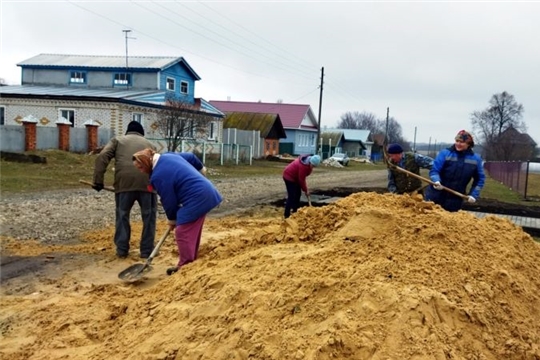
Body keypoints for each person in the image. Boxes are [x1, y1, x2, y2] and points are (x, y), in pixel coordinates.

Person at [132, 148, 222, 275]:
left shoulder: (158, 175)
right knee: (191, 228)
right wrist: (201, 171)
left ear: (147, 162)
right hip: (205, 193)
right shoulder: (168, 156)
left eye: (141, 167)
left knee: (183, 230)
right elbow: (191, 157)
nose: (140, 171)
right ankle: (190, 261)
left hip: (197, 197)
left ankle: (185, 266)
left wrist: (172, 219)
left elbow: (169, 201)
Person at [92, 121, 157, 259]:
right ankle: (146, 251)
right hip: (147, 184)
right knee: (149, 217)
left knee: (122, 215)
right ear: (141, 133)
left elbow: (103, 156)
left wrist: (98, 180)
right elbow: (157, 165)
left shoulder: (118, 140)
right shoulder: (150, 144)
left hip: (124, 184)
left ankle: (122, 250)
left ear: (128, 132)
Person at [424, 130, 485, 212]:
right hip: (435, 196)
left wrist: (473, 194)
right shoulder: (445, 154)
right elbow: (435, 170)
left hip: (455, 199)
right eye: (457, 141)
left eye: (462, 142)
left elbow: (480, 179)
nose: (458, 144)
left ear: (469, 144)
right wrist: (436, 181)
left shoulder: (475, 159)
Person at [282, 154, 321, 218]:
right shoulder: (304, 166)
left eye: (314, 166)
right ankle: (286, 215)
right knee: (292, 196)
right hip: (288, 176)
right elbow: (301, 180)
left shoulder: (308, 163)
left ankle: (295, 211)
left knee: (298, 194)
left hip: (296, 178)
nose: (313, 167)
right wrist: (306, 190)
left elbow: (301, 178)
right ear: (310, 162)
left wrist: (305, 189)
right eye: (313, 165)